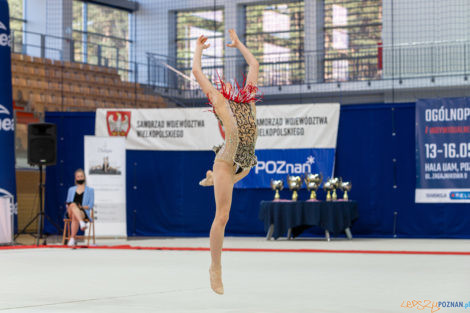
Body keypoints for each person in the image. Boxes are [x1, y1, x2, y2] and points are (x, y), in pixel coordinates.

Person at [192, 29, 260, 295]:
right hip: (227, 161)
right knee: (222, 215)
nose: (231, 85)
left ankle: (211, 178)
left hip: (245, 161)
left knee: (226, 183)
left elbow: (254, 64)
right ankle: (215, 268)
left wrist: (239, 44)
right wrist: (198, 49)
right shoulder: (219, 102)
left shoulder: (250, 100)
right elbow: (197, 73)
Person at [65, 168, 94, 247]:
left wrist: (81, 207)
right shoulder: (71, 189)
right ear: (75, 178)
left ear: (84, 177)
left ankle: (72, 238)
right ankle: (81, 223)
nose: (80, 178)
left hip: (83, 212)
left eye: (81, 176)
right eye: (78, 177)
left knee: (75, 215)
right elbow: (67, 202)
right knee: (73, 204)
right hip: (70, 210)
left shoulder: (90, 190)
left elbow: (90, 205)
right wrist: (71, 206)